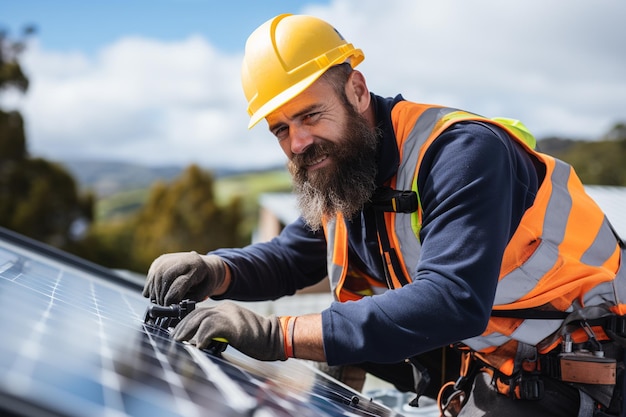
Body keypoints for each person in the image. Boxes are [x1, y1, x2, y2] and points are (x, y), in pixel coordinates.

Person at [142, 13, 625, 416]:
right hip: (495, 363)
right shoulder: (348, 170)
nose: (298, 142)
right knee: (334, 357)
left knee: (326, 340)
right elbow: (293, 256)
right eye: (280, 129)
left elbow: (451, 300)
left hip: (586, 364)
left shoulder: (462, 153)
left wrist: (275, 334)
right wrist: (215, 269)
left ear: (356, 88)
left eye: (310, 115)